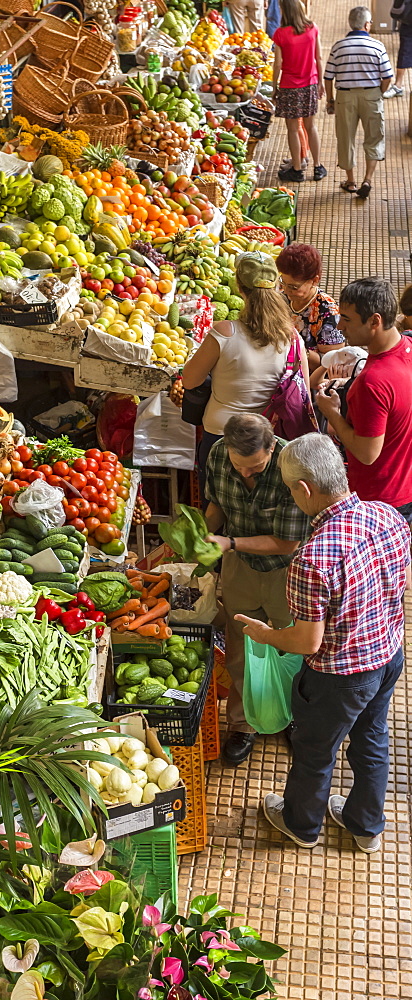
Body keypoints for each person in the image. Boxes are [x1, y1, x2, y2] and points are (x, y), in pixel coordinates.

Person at [236, 433, 410, 851]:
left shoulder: (312, 559)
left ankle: (301, 824)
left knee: (315, 750)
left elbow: (307, 641)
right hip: (388, 655)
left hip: (340, 677)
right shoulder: (389, 516)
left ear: (304, 489)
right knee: (372, 738)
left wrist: (264, 634)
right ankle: (366, 826)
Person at [203, 413, 310, 765]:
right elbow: (217, 506)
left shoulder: (290, 468)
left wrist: (230, 542)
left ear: (271, 445)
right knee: (240, 646)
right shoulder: (219, 454)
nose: (246, 473)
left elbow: (286, 543)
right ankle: (243, 723)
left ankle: (293, 717)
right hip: (240, 569)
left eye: (256, 467)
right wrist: (201, 536)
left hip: (286, 572)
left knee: (291, 647)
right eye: (240, 466)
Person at [183, 251, 310, 495]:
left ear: (239, 287)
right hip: (266, 443)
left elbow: (189, 380)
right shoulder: (292, 338)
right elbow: (302, 387)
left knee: (216, 509)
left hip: (220, 437)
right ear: (276, 287)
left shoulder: (225, 332)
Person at [315, 277, 412, 524]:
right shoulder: (407, 346)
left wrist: (332, 413)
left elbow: (367, 453)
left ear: (374, 321)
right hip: (404, 485)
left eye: (347, 319)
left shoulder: (374, 381)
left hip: (378, 499)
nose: (340, 326)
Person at [324, 6, 393, 199]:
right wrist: (379, 92)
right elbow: (387, 77)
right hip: (371, 95)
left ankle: (351, 181)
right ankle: (367, 180)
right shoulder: (377, 46)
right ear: (366, 24)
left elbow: (328, 77)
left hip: (345, 98)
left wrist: (330, 100)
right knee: (374, 137)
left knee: (346, 138)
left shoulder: (338, 46)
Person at [272, 0, 326, 183]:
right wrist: (320, 82)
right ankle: (318, 167)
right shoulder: (312, 29)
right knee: (311, 127)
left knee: (293, 129)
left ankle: (297, 170)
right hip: (310, 84)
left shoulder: (280, 34)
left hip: (289, 87)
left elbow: (278, 63)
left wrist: (274, 86)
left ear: (284, 11)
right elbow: (318, 57)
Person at [275, 243, 344, 372]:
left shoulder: (327, 312)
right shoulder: (281, 296)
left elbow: (331, 363)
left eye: (294, 287)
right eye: (283, 282)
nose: (286, 290)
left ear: (314, 280)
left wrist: (296, 347)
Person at [384, 0, 412, 97]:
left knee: (404, 53)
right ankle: (398, 85)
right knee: (404, 53)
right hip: (408, 22)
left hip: (407, 21)